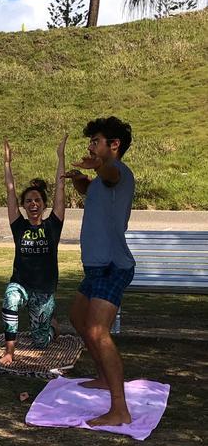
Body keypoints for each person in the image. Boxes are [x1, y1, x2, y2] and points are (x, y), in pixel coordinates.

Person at [63, 116, 136, 426]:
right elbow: (95, 188)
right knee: (78, 319)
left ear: (114, 145)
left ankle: (119, 409)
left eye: (96, 141)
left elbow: (108, 174)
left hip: (112, 266)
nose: (91, 146)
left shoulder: (118, 171)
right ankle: (103, 378)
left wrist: (95, 167)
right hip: (95, 267)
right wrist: (80, 179)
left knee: (96, 330)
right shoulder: (103, 180)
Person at [0, 135, 67, 366]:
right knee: (10, 298)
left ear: (44, 204)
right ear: (24, 205)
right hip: (21, 283)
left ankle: (51, 326)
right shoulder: (19, 225)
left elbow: (60, 186)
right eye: (28, 201)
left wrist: (61, 157)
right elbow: (10, 191)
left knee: (41, 341)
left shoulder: (53, 225)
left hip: (44, 289)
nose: (33, 204)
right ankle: (10, 350)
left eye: (37, 200)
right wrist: (7, 164)